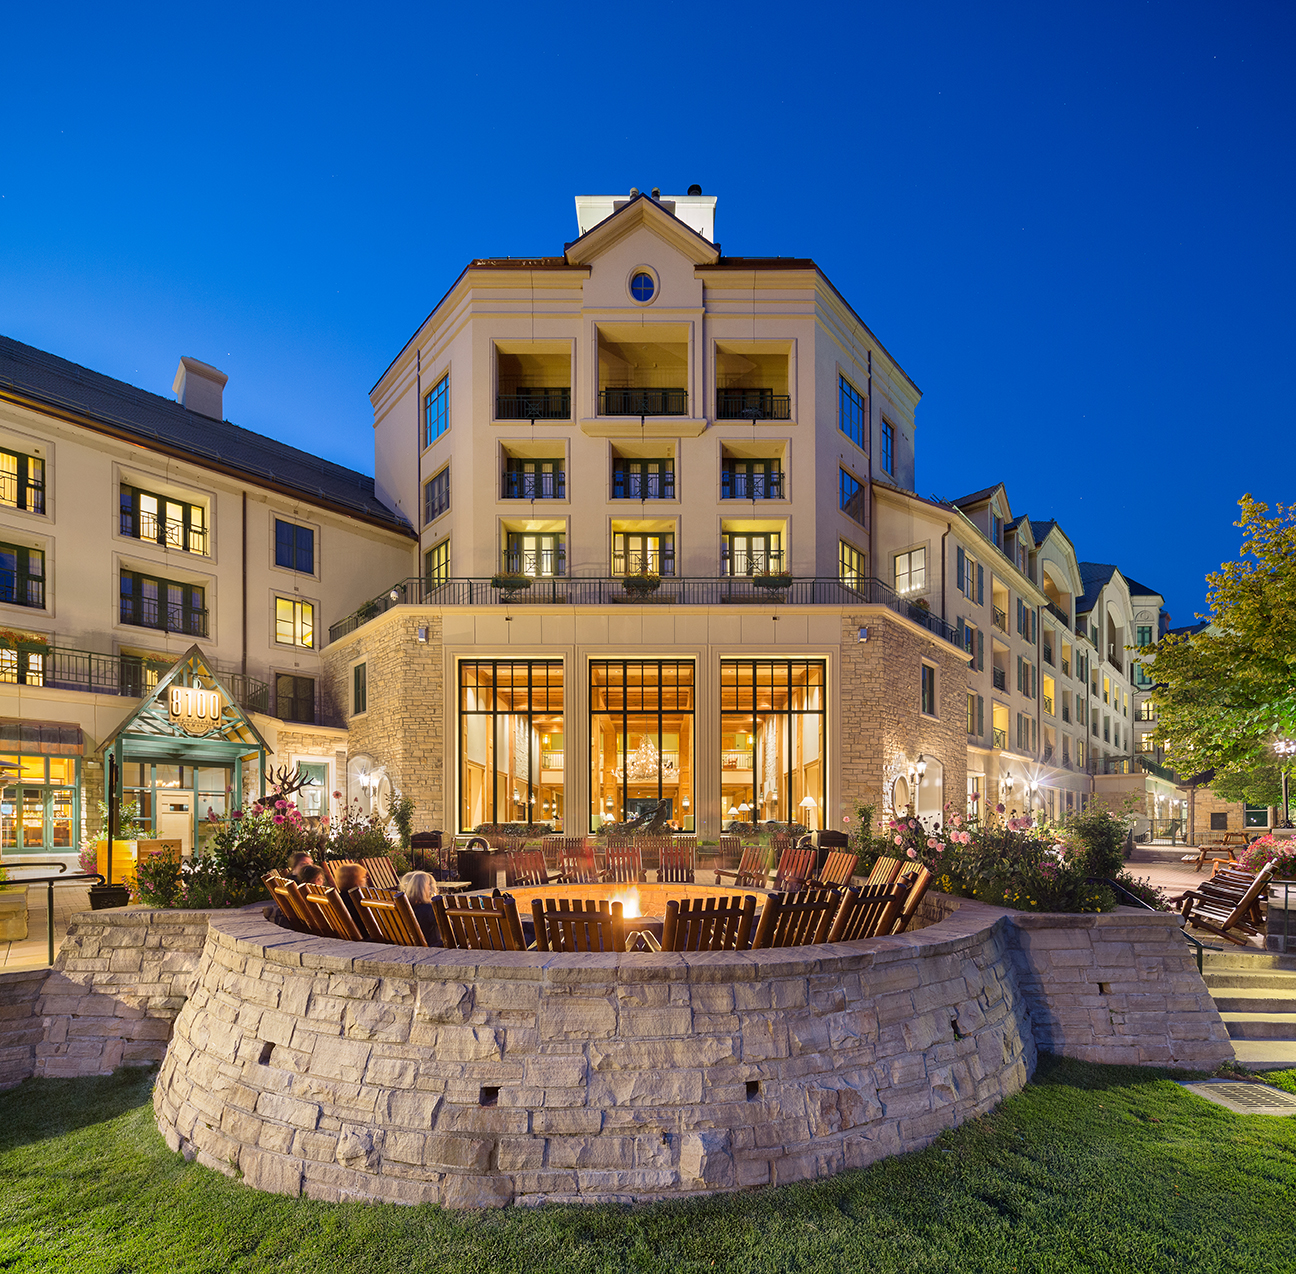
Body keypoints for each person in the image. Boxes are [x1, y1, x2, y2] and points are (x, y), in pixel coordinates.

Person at [400, 870, 442, 946]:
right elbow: (447, 929)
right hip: (434, 946)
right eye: (429, 885)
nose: (431, 888)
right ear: (424, 889)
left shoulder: (406, 908)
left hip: (412, 945)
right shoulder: (429, 909)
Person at [333, 862, 368, 929]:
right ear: (356, 880)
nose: (366, 879)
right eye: (363, 877)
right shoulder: (359, 900)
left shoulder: (338, 899)